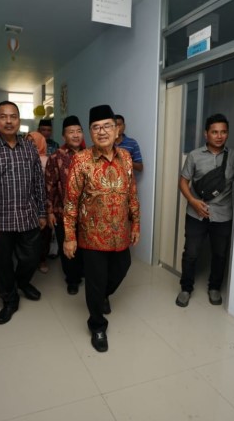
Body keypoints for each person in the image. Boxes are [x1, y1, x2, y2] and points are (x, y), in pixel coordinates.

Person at [63, 105, 140, 352]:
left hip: (120, 232)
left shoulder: (125, 157)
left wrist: (136, 224)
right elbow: (71, 201)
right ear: (91, 133)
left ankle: (101, 296)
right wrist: (69, 237)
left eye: (107, 126)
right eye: (96, 127)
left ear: (117, 130)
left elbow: (132, 193)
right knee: (95, 281)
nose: (102, 131)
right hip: (92, 234)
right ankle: (97, 325)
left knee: (123, 267)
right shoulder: (81, 160)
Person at [0, 101, 47, 325]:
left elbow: (39, 183)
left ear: (19, 120)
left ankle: (22, 282)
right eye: (3, 116)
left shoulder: (30, 148)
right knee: (2, 264)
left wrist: (42, 212)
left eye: (13, 116)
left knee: (32, 257)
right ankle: (10, 299)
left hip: (28, 216)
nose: (8, 121)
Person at [175, 113, 234, 307]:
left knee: (220, 254)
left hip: (223, 215)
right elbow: (183, 182)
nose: (219, 136)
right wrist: (193, 201)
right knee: (191, 253)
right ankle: (186, 288)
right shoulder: (194, 155)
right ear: (206, 134)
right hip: (196, 213)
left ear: (227, 133)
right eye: (214, 132)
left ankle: (214, 288)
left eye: (223, 132)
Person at [45, 115, 85, 294]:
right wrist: (50, 211)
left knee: (84, 246)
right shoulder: (55, 157)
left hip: (87, 214)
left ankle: (82, 272)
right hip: (63, 212)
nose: (76, 135)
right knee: (67, 246)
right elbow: (49, 186)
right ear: (64, 136)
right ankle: (72, 279)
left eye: (79, 131)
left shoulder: (90, 155)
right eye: (71, 132)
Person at [26, 130, 51, 274]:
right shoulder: (22, 158)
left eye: (33, 141)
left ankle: (42, 260)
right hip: (27, 202)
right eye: (28, 141)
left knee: (43, 234)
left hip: (43, 201)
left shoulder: (46, 160)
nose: (30, 144)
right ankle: (30, 261)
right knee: (29, 235)